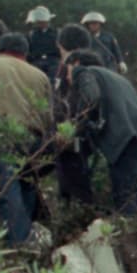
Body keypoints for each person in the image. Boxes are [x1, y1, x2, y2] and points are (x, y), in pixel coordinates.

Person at [63, 49, 137, 215]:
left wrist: (74, 129)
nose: (67, 77)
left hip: (126, 140)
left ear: (76, 63)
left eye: (68, 70)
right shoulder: (117, 78)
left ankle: (134, 236)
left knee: (124, 197)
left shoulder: (84, 71)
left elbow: (91, 98)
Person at [0, 33, 53, 244]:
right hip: (33, 139)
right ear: (25, 53)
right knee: (27, 186)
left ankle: (18, 243)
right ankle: (29, 241)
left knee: (8, 188)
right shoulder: (40, 75)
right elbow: (47, 116)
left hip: (0, 134)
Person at [52, 24, 96, 203]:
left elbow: (77, 99)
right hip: (77, 131)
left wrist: (69, 129)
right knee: (71, 179)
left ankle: (81, 219)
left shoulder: (75, 66)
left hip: (75, 133)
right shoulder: (91, 63)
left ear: (62, 45)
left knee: (76, 181)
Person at [25, 6, 60, 81]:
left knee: (52, 80)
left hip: (53, 61)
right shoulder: (32, 34)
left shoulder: (56, 33)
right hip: (36, 61)